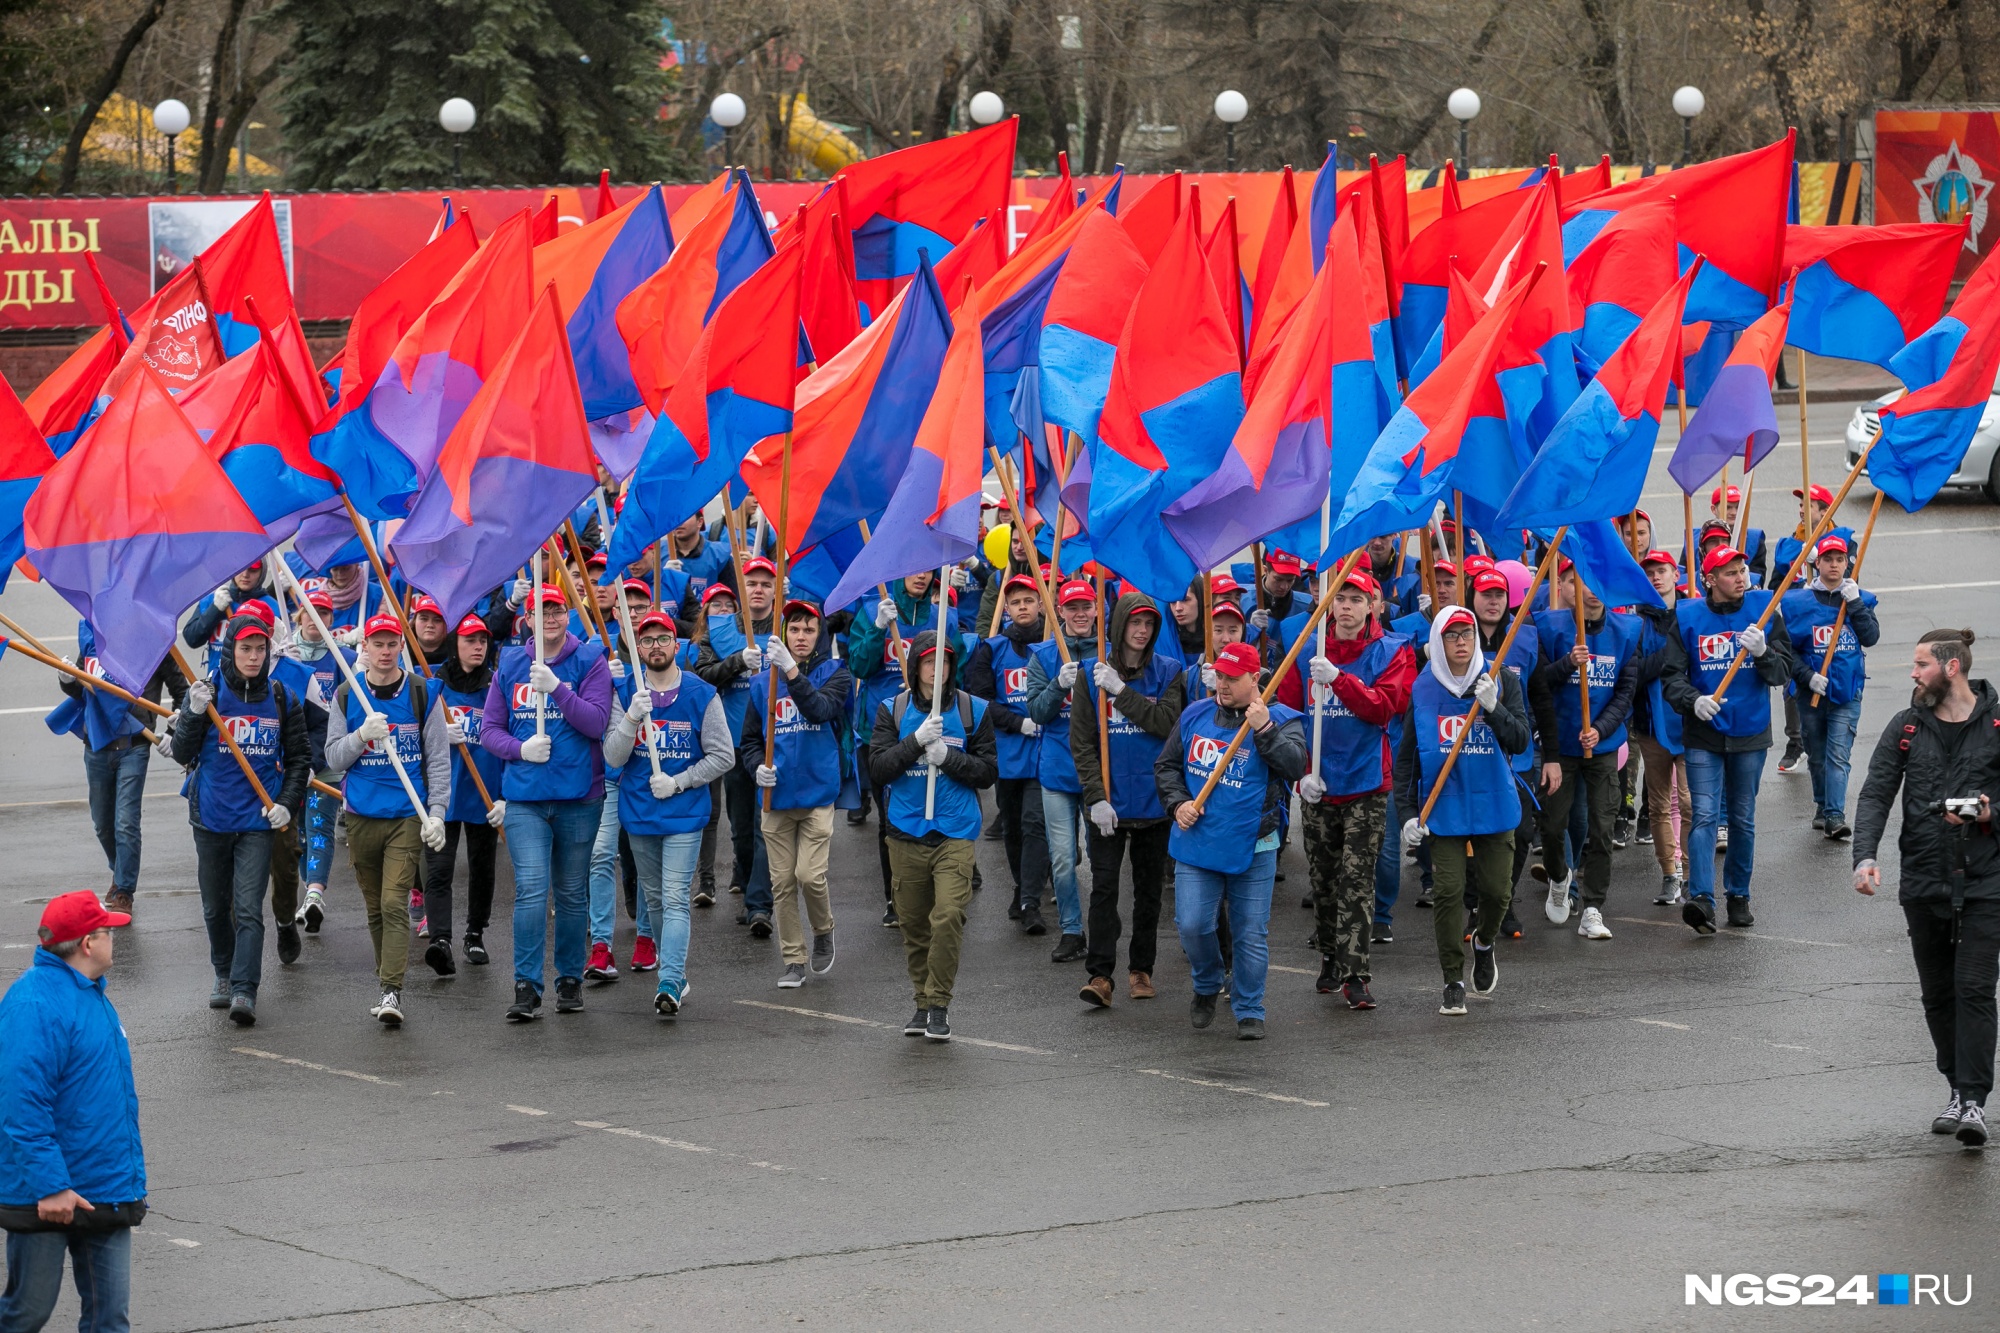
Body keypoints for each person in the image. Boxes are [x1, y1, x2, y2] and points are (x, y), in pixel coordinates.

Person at [1852, 629, 2000, 1147]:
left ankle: (1975, 1102)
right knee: (1938, 995)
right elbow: (1876, 793)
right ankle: (1956, 1090)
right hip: (1923, 879)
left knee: (1975, 990)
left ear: (1952, 667)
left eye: (1920, 665)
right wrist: (1864, 856)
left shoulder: (1997, 724)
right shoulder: (1907, 726)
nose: (1912, 674)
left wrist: (1988, 812)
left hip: (1986, 881)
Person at [0, 892, 143, 1333]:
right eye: (108, 931)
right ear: (87, 943)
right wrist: (52, 1186)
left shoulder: (91, 994)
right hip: (48, 1196)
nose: (115, 937)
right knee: (27, 1313)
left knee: (110, 1319)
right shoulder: (34, 1006)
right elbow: (21, 1108)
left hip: (106, 1185)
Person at [1157, 641, 1309, 1039]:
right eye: (1219, 676)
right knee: (1191, 925)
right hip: (1198, 841)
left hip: (1254, 846)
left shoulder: (1283, 719)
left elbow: (1294, 765)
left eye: (1232, 678)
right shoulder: (1195, 714)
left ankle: (1249, 1007)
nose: (1222, 685)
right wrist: (1177, 804)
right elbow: (1167, 766)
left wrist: (1264, 729)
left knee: (1250, 933)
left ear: (1255, 679)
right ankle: (1208, 982)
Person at [1281, 569, 1415, 1009]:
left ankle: (1357, 973)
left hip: (1367, 783)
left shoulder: (1391, 651)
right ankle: (1329, 957)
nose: (1346, 607)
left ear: (1373, 605)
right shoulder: (1306, 649)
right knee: (1323, 881)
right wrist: (1300, 775)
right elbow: (1285, 716)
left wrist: (1339, 679)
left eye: (1357, 599)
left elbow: (1383, 709)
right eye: (1340, 598)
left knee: (1356, 881)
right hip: (1319, 785)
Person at [171, 612, 310, 1027]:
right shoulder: (206, 693)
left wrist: (286, 802)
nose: (253, 657)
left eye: (260, 648)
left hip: (256, 822)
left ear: (269, 650)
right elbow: (181, 753)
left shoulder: (283, 696)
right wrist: (194, 714)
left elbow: (301, 759)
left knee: (248, 908)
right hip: (211, 819)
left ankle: (245, 989)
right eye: (245, 648)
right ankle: (223, 972)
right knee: (216, 908)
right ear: (230, 649)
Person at [483, 581, 613, 1022]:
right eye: (542, 610)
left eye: (557, 609)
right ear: (528, 619)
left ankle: (570, 979)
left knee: (573, 894)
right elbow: (490, 731)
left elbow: (597, 723)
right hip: (525, 799)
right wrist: (520, 750)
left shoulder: (590, 660)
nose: (551, 618)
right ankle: (526, 986)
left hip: (579, 797)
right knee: (532, 890)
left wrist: (558, 687)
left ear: (568, 615)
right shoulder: (511, 662)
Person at [1396, 607, 1533, 1016]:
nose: (1460, 641)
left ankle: (1485, 943)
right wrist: (1407, 813)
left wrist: (1494, 707)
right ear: (1437, 641)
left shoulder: (1501, 680)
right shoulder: (1422, 689)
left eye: (1467, 633)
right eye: (1451, 634)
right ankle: (1452, 978)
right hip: (1445, 808)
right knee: (1449, 892)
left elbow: (1522, 740)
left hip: (1493, 802)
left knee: (1496, 891)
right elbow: (1407, 760)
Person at [1658, 544, 1797, 934]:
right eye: (1731, 572)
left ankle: (1739, 894)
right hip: (1704, 733)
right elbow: (1671, 677)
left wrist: (1765, 652)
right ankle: (1701, 897)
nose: (1741, 578)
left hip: (1750, 732)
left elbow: (1783, 674)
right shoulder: (1686, 617)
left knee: (1742, 818)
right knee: (1703, 815)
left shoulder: (1765, 611)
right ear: (1710, 580)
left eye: (1743, 570)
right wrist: (1693, 700)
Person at [867, 630, 997, 1041]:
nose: (935, 669)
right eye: (927, 661)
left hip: (955, 832)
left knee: (947, 918)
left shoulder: (973, 710)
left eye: (943, 661)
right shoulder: (893, 708)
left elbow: (989, 771)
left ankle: (939, 1004)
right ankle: (921, 1003)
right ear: (915, 666)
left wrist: (950, 757)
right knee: (915, 926)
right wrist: (916, 743)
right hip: (905, 831)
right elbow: (879, 768)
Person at [603, 611, 734, 1017]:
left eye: (663, 638)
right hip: (639, 814)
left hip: (684, 813)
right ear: (638, 649)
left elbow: (723, 756)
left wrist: (680, 782)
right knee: (655, 898)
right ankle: (675, 973)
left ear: (676, 646)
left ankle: (669, 980)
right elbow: (612, 756)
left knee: (675, 897)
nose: (656, 645)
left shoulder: (701, 694)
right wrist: (629, 719)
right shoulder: (625, 691)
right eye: (647, 640)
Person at [323, 614, 450, 1025]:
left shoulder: (421, 694)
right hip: (361, 816)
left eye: (391, 643)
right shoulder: (347, 694)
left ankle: (391, 991)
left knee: (395, 902)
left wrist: (437, 814)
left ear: (401, 646)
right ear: (364, 649)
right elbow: (332, 758)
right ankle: (386, 982)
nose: (383, 650)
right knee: (375, 907)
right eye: (376, 643)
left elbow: (437, 758)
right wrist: (361, 736)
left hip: (405, 816)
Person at [1072, 592, 1184, 1008]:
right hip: (1109, 806)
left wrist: (1121, 692)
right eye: (1135, 623)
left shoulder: (1171, 672)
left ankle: (1142, 969)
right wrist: (1095, 797)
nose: (1141, 631)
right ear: (1119, 625)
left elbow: (1166, 724)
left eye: (1149, 624)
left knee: (1149, 892)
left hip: (1155, 805)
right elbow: (1082, 743)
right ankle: (1100, 974)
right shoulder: (1090, 674)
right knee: (1103, 890)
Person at [737, 599, 851, 986]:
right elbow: (750, 741)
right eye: (795, 629)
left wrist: (789, 670)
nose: (801, 636)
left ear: (821, 635)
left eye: (809, 629)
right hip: (776, 798)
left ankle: (823, 929)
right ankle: (794, 959)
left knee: (809, 875)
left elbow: (820, 710)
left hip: (819, 794)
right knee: (782, 884)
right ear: (784, 633)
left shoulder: (837, 673)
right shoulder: (760, 683)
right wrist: (757, 769)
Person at [1528, 569, 1639, 940]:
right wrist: (1566, 665)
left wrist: (1601, 729)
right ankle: (1560, 877)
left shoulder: (1627, 631)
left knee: (1602, 829)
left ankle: (1592, 907)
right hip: (1560, 748)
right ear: (1564, 589)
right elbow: (1537, 683)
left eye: (1597, 582)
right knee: (1553, 825)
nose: (1592, 591)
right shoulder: (1548, 627)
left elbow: (1625, 691)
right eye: (1581, 582)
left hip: (1602, 747)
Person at [51, 622, 187, 916]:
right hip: (96, 744)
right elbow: (82, 689)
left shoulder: (156, 645)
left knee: (126, 822)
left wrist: (174, 733)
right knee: (102, 823)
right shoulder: (93, 637)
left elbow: (182, 693)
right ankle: (120, 871)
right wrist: (67, 679)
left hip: (135, 745)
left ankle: (124, 889)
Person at [848, 570, 959, 923]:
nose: (922, 575)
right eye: (914, 568)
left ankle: (938, 895)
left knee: (936, 811)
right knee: (890, 820)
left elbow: (960, 671)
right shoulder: (871, 609)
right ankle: (896, 899)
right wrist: (878, 628)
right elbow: (858, 665)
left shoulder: (945, 618)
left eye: (929, 568)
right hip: (881, 731)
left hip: (932, 729)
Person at [694, 556, 776, 935]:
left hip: (774, 741)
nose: (758, 590)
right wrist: (738, 662)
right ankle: (745, 878)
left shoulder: (785, 627)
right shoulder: (721, 628)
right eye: (751, 583)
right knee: (741, 828)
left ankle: (760, 904)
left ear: (775, 590)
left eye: (765, 583)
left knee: (764, 827)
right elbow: (705, 676)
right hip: (734, 742)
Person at [965, 574, 1052, 934]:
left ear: (1040, 605)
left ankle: (1032, 900)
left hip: (1047, 753)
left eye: (1028, 601)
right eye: (1015, 602)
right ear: (1008, 609)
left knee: (1036, 823)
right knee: (1014, 827)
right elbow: (980, 700)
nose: (1022, 607)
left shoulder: (1052, 644)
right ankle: (1021, 887)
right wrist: (1019, 723)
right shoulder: (991, 648)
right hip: (1009, 755)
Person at [1781, 534, 1880, 840]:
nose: (1834, 565)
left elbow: (1871, 637)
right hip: (1811, 693)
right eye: (1828, 559)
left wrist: (1856, 604)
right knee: (1817, 754)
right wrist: (1807, 676)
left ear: (1847, 563)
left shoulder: (1857, 598)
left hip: (1848, 692)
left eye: (1840, 560)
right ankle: (1823, 806)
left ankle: (1835, 816)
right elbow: (1787, 652)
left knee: (1838, 754)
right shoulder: (1799, 603)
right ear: (1818, 563)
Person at [424, 614, 505, 970]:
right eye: (470, 640)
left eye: (483, 641)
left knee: (482, 868)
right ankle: (441, 938)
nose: (477, 647)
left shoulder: (496, 686)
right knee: (439, 869)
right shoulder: (433, 685)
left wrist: (507, 796)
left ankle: (475, 934)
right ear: (455, 644)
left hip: (485, 792)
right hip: (443, 793)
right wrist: (437, 733)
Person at [1465, 566, 1541, 939]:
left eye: (1499, 595)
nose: (1492, 602)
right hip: (1469, 752)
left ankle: (1504, 899)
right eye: (1485, 595)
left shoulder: (1525, 639)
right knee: (1472, 834)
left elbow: (1540, 696)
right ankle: (1477, 904)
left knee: (1522, 831)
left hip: (1515, 754)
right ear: (1472, 599)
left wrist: (1552, 754)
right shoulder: (1458, 639)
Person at [1025, 580, 1098, 961]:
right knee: (1063, 859)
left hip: (1098, 773)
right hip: (1056, 770)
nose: (1080, 614)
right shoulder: (1042, 656)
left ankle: (1102, 930)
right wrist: (1057, 685)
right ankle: (1072, 929)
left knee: (1102, 859)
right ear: (1059, 613)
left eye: (1086, 606)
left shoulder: (1111, 652)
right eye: (1072, 608)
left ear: (1097, 609)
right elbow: (1036, 712)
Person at [1631, 551, 1694, 905]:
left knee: (1687, 804)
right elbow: (1636, 672)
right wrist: (1671, 656)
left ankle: (1689, 874)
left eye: (1662, 571)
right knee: (1658, 805)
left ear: (1675, 574)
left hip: (1688, 723)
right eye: (1650, 572)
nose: (1656, 578)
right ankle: (1670, 874)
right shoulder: (1636, 623)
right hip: (1651, 725)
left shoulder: (1693, 614)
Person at [286, 586, 348, 938]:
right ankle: (309, 887)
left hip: (326, 763)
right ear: (299, 615)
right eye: (310, 612)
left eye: (323, 613)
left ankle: (314, 896)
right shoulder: (285, 655)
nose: (316, 619)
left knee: (319, 826)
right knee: (298, 835)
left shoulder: (342, 658)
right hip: (293, 763)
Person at [182, 563, 274, 671]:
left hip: (256, 681)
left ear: (262, 572)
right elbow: (192, 639)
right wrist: (214, 610)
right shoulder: (212, 600)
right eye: (241, 568)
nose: (245, 574)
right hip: (217, 681)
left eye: (252, 570)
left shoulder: (272, 607)